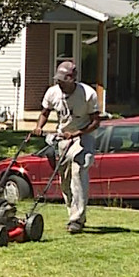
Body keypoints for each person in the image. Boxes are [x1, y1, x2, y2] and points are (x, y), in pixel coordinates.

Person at [34, 61, 102, 234]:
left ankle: (77, 219)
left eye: (63, 80)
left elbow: (96, 122)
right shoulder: (52, 92)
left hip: (84, 137)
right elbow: (45, 112)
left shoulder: (88, 94)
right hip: (63, 138)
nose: (59, 83)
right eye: (58, 79)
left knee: (78, 172)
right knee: (64, 180)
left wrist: (77, 133)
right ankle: (73, 213)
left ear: (72, 79)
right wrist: (38, 127)